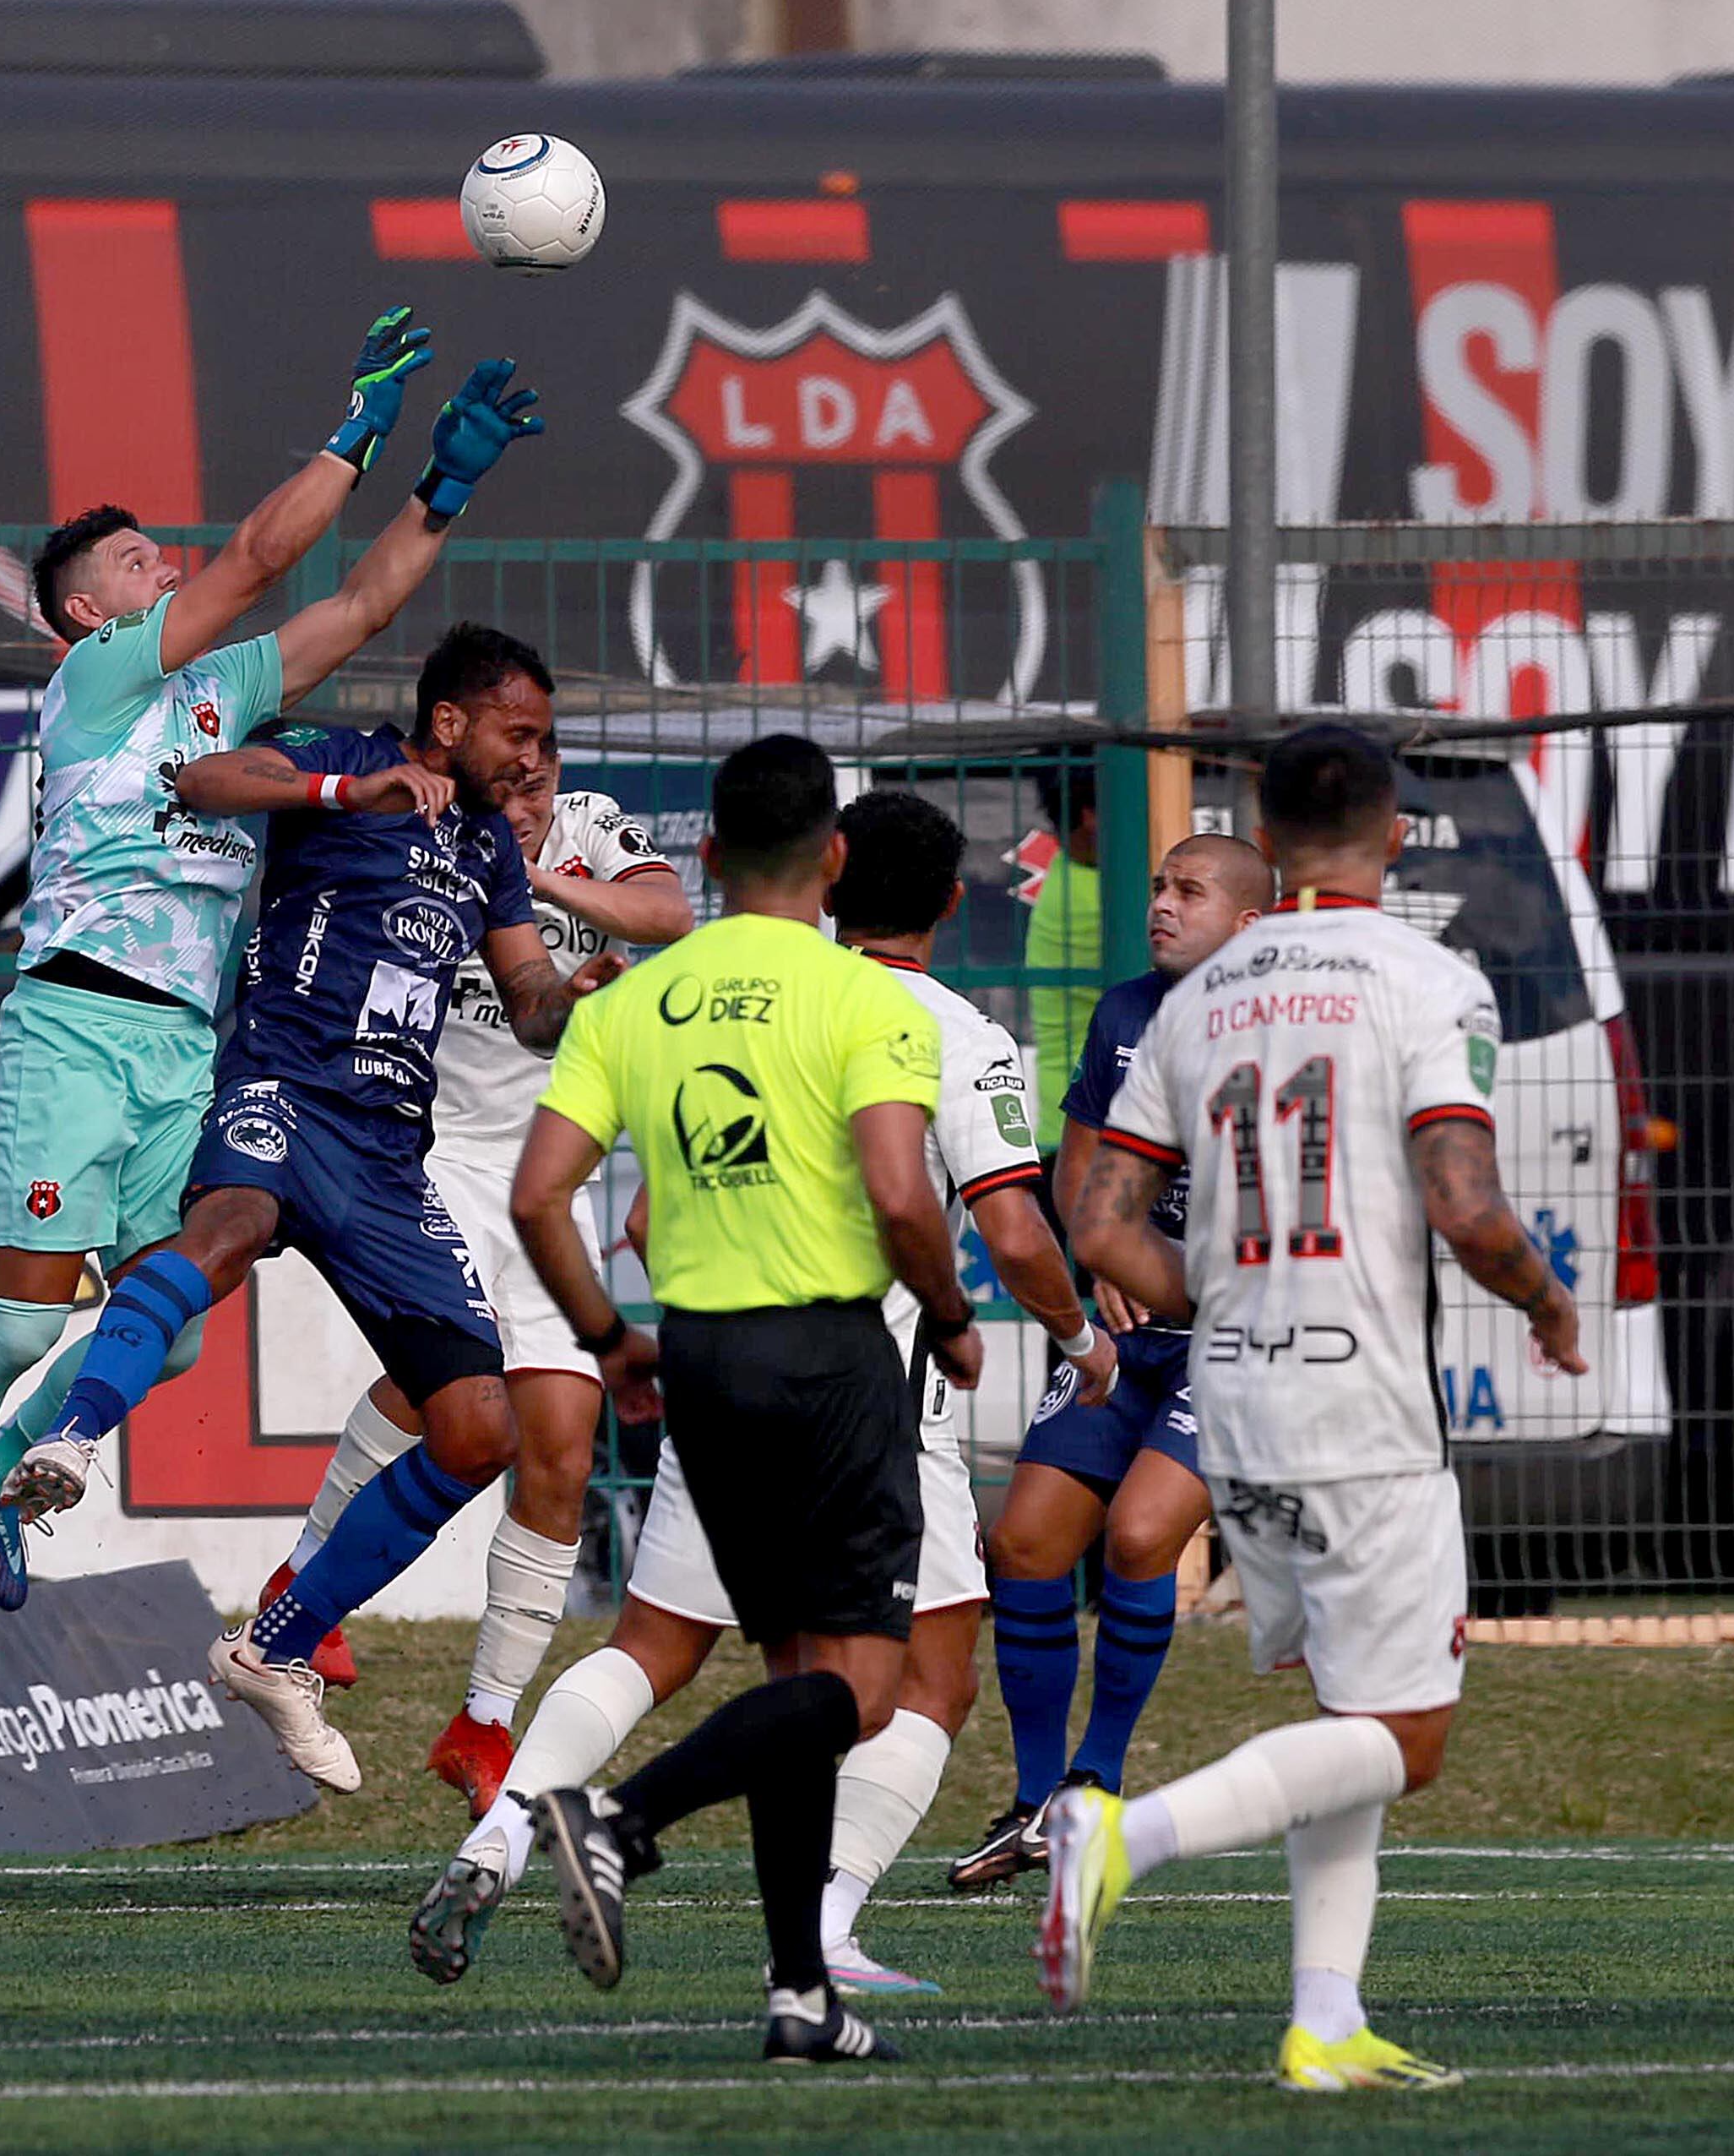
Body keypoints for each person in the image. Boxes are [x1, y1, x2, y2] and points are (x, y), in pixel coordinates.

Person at [0, 318, 548, 1663]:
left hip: (185, 1046)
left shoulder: (219, 696)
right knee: (16, 1319)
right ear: (83, 612)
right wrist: (356, 427)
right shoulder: (99, 678)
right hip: (76, 1012)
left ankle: (7, 1470)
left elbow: (360, 606)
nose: (161, 567)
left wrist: (442, 487)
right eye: (134, 564)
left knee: (166, 1337)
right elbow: (261, 557)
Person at [409, 787, 1115, 2007]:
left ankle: (500, 1843)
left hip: (706, 1366)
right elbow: (998, 1217)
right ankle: (789, 1910)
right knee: (908, 1681)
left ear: (827, 877)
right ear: (950, 900)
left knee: (654, 1645)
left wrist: (615, 1337)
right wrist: (1063, 1332)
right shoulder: (936, 1027)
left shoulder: (688, 998)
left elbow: (623, 1213)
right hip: (868, 1403)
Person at [1051, 724, 1585, 2092]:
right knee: (1408, 1737)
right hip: (1360, 1394)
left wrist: (1214, 1295)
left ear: (1266, 836)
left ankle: (1325, 2019)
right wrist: (1543, 1301)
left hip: (1235, 1392)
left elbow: (1102, 1220)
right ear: (1396, 832)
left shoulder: (1195, 998)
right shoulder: (1428, 976)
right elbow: (1463, 1203)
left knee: (1352, 1700)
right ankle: (1122, 1834)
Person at [0, 625, 617, 1789]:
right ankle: (74, 1438)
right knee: (222, 1230)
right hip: (285, 1081)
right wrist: (347, 784)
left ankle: (274, 1647)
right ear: (449, 723)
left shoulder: (487, 844)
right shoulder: (342, 758)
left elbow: (526, 988)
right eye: (519, 732)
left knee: (480, 1423)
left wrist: (572, 998)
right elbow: (199, 776)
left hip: (389, 1152)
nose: (536, 757)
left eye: (545, 737)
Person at [493, 734, 976, 2067]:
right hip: (832, 1359)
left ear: (702, 857)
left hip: (698, 1361)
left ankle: (800, 1995)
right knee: (867, 1688)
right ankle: (617, 1823)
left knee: (791, 1676)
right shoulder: (866, 999)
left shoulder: (631, 1002)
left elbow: (542, 1195)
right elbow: (897, 1191)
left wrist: (609, 1338)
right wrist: (946, 1311)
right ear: (831, 859)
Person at [263, 744, 688, 1798]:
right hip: (429, 1153)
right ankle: (301, 1587)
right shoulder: (416, 835)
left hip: (547, 1176)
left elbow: (669, 913)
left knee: (560, 1446)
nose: (526, 806)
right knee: (440, 1385)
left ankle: (483, 1723)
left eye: (535, 788)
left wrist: (526, 875)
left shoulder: (584, 824)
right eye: (505, 795)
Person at [952, 830, 1274, 1892]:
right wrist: (1099, 1266)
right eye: (1158, 886)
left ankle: (1097, 1783)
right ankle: (1036, 1798)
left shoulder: (1278, 1028)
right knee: (1026, 1542)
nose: (1162, 906)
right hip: (1130, 1326)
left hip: (1231, 1331)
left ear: (1251, 922)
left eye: (1190, 891)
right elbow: (1081, 1160)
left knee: (1140, 1534)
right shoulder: (1124, 1012)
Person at [1025, 766, 1106, 1119]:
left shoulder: (1068, 873)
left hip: (1068, 1119)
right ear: (1091, 817)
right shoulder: (1097, 899)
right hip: (1091, 1127)